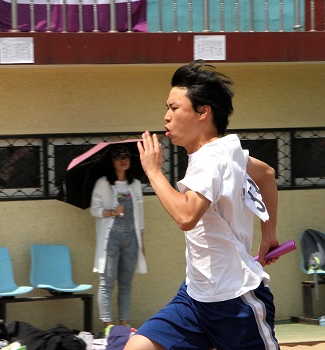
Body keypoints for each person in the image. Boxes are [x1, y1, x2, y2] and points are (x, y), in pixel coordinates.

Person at [126, 60, 280, 350]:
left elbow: (186, 216)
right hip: (195, 297)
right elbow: (267, 175)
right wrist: (268, 235)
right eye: (167, 108)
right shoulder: (227, 151)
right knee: (139, 346)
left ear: (203, 112)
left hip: (235, 300)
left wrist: (153, 171)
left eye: (174, 108)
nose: (166, 116)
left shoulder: (210, 159)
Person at [90, 144, 147, 336]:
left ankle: (123, 326)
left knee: (125, 284)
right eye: (118, 156)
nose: (123, 160)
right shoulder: (103, 183)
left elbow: (140, 215)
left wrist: (142, 242)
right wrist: (111, 212)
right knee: (106, 283)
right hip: (110, 240)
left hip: (132, 240)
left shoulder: (135, 184)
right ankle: (108, 327)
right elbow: (94, 210)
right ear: (111, 161)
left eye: (126, 156)